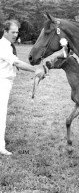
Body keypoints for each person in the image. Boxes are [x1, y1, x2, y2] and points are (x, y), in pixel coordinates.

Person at [0, 19, 44, 155]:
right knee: (1, 115)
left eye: (17, 32)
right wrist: (35, 69)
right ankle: (1, 147)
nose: (15, 35)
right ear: (5, 31)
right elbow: (17, 63)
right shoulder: (3, 46)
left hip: (6, 82)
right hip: (2, 82)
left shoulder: (7, 45)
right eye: (12, 32)